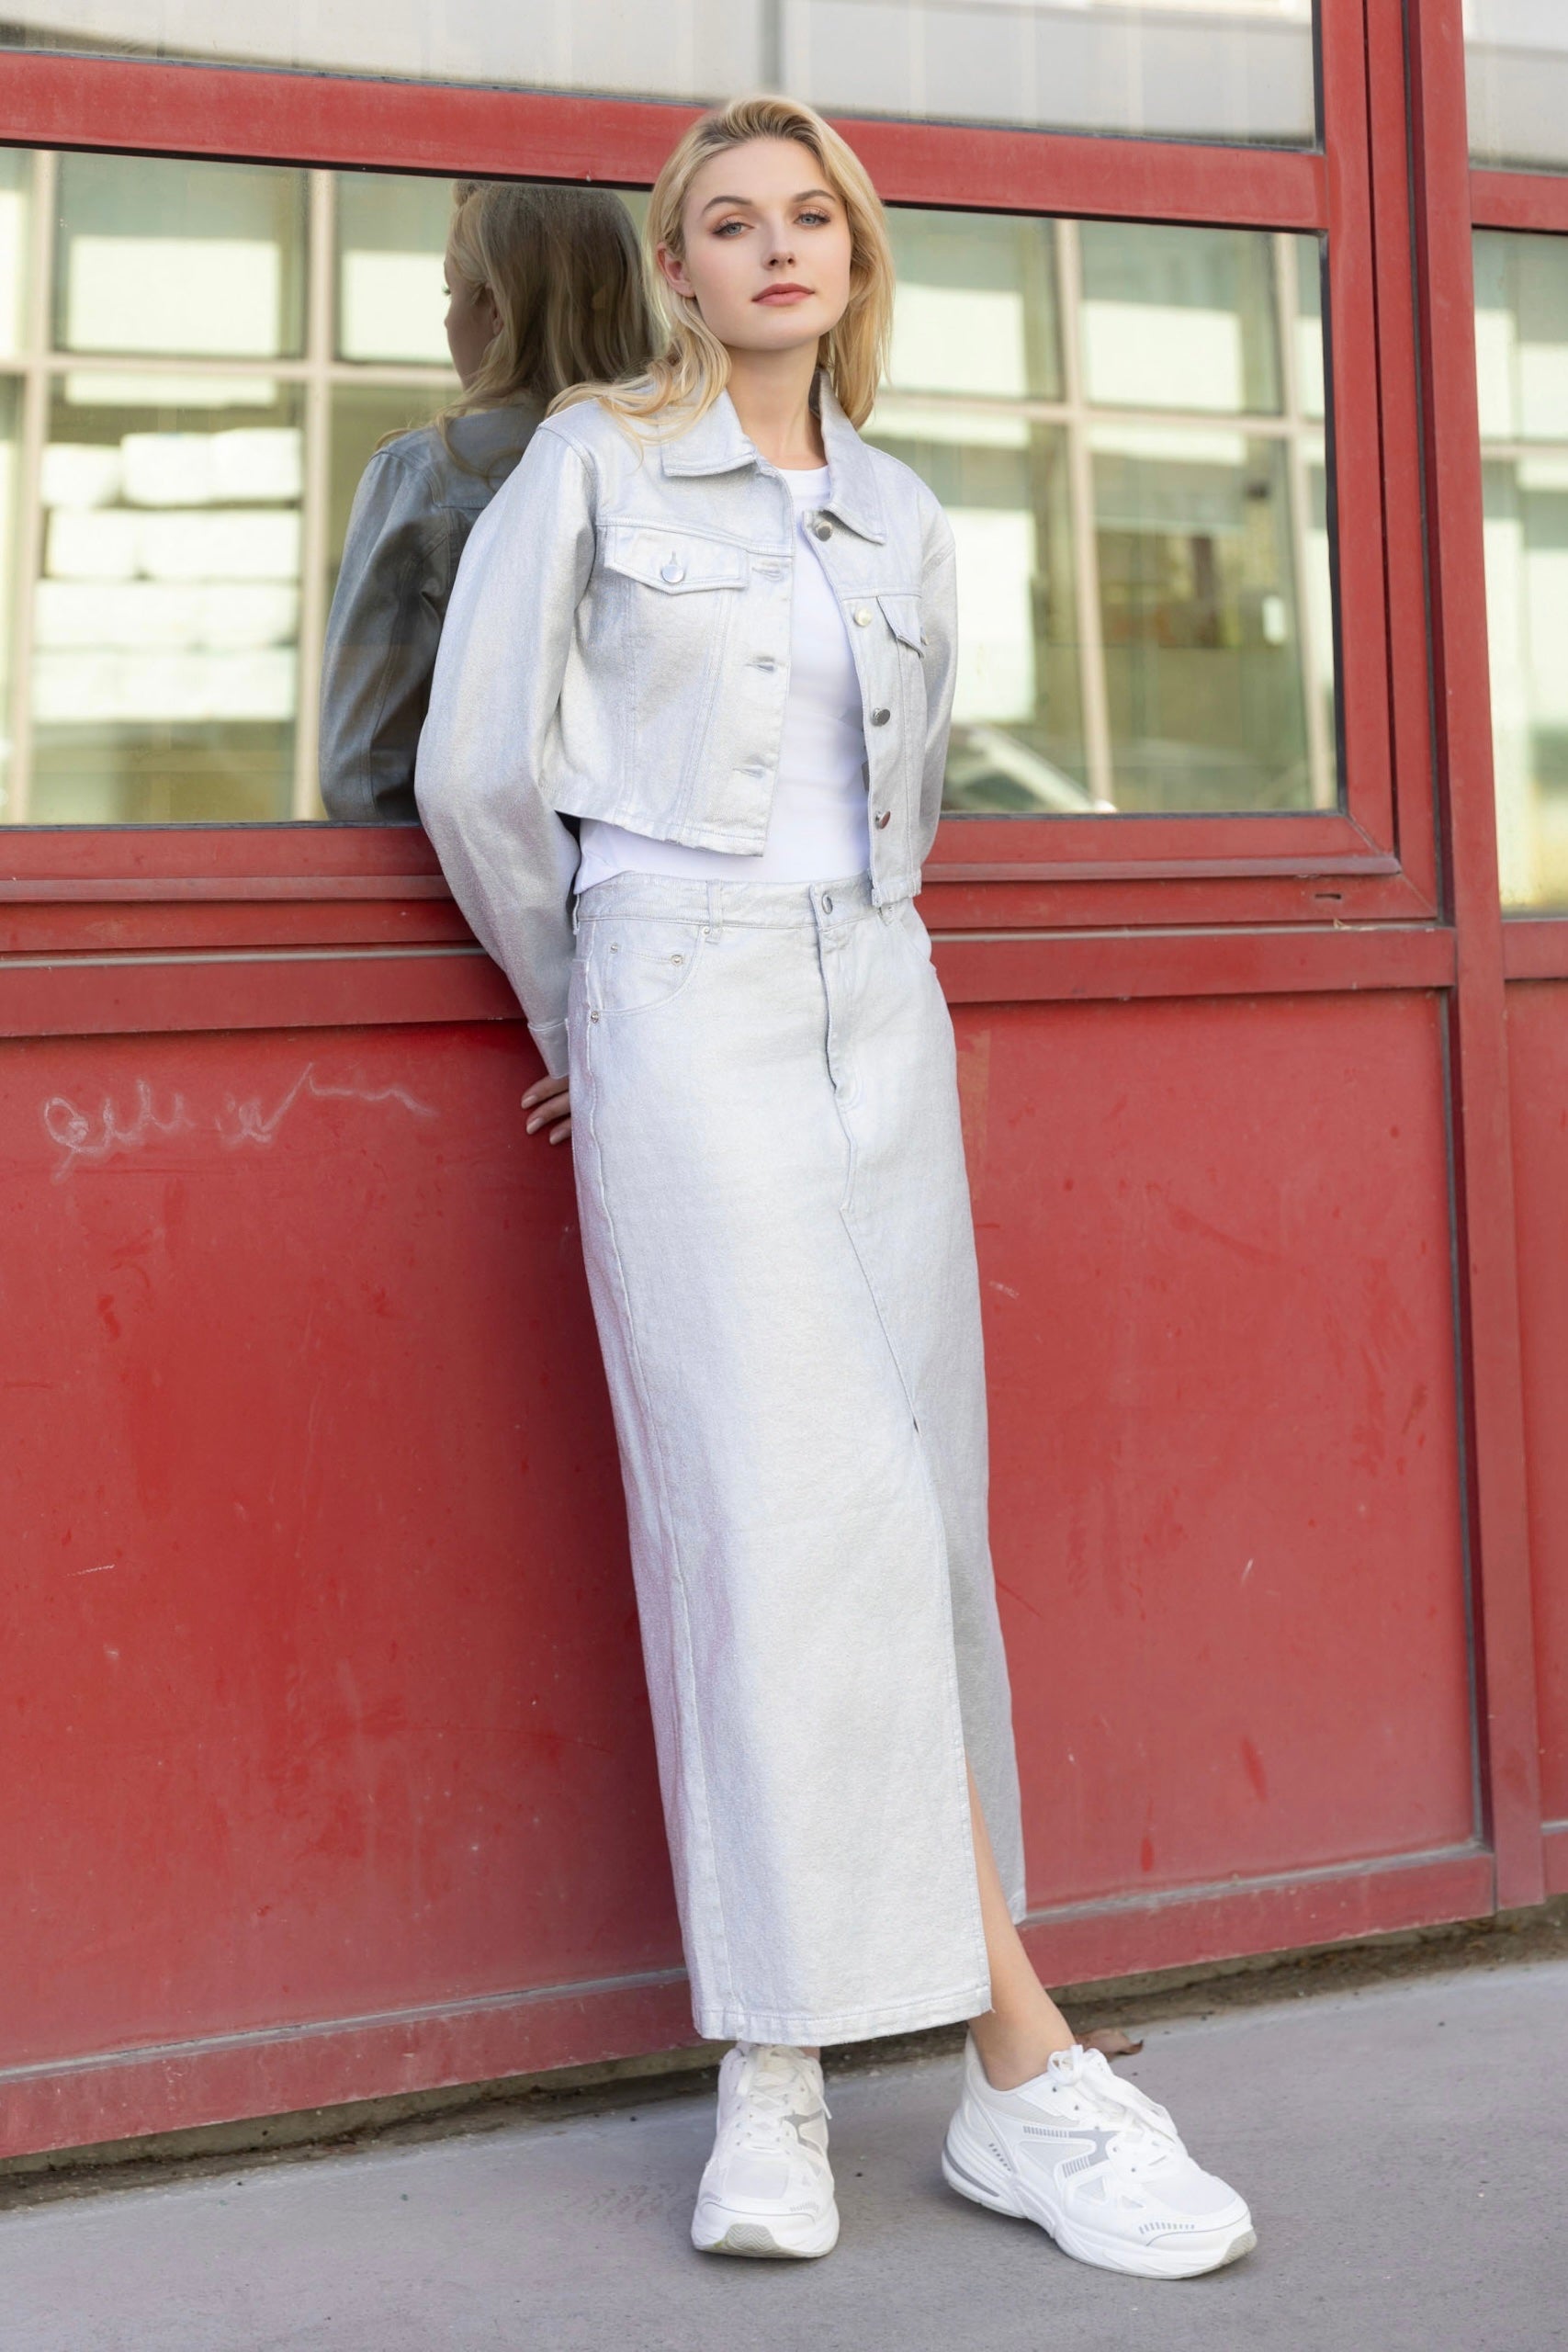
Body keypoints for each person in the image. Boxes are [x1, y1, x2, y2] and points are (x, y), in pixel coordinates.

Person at [415, 95, 1255, 2278]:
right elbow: (476, 768)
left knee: (914, 1517)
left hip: (878, 1000)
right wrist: (577, 1012)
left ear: (854, 260)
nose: (775, 246)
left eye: (811, 217)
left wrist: (846, 970)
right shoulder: (587, 465)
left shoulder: (899, 511)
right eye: (728, 221)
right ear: (674, 270)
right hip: (672, 994)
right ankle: (917, 2063)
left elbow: (910, 800)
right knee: (770, 1520)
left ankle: (832, 2072)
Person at [320, 179, 651, 820]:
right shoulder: (693, 463)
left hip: (468, 875)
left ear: (496, 309)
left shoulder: (428, 476)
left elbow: (360, 773)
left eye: (452, 293)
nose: (447, 320)